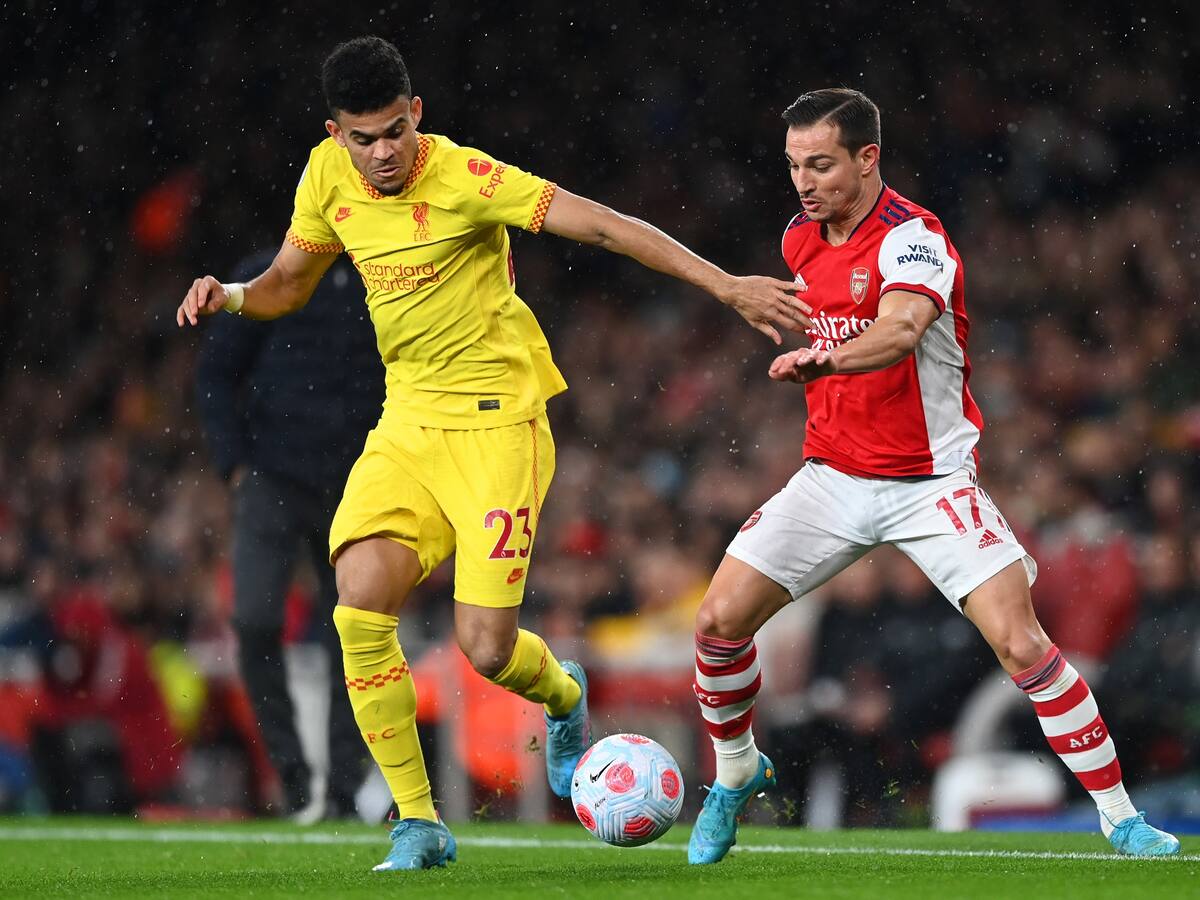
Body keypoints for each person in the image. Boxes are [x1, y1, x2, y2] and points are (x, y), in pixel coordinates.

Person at [177, 36, 810, 871]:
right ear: (335, 135)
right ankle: (418, 822)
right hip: (407, 423)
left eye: (396, 131)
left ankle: (562, 693)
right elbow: (290, 282)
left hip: (498, 425)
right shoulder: (325, 176)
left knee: (485, 648)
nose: (383, 152)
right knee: (358, 602)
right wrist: (230, 295)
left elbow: (605, 226)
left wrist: (724, 284)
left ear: (417, 114)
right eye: (364, 139)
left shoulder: (470, 178)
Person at [686, 88, 1180, 863]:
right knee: (717, 624)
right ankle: (738, 771)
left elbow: (901, 329)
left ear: (868, 159)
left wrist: (826, 359)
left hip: (930, 482)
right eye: (793, 165)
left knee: (1022, 645)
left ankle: (1121, 818)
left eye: (821, 165)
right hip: (831, 478)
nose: (803, 182)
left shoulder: (914, 238)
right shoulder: (798, 238)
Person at [196, 250, 381, 821]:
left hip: (357, 480)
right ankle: (295, 778)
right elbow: (215, 373)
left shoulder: (383, 271)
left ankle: (343, 791)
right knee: (253, 620)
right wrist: (233, 463)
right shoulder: (268, 271)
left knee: (355, 632)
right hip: (273, 477)